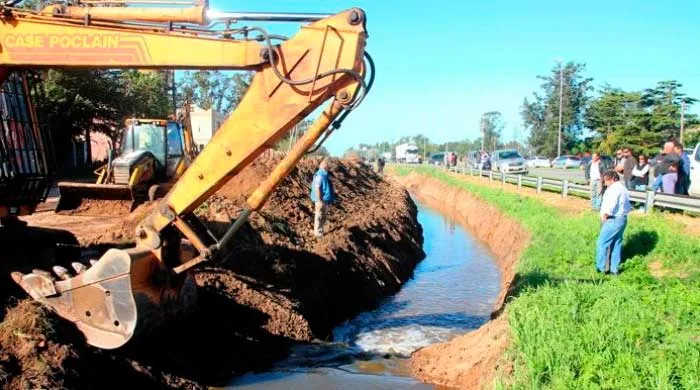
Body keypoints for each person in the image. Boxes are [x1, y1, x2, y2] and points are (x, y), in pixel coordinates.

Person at [595, 170, 631, 275]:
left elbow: (612, 203)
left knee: (602, 243)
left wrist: (606, 214)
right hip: (622, 218)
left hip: (613, 218)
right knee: (616, 243)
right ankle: (614, 269)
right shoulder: (623, 189)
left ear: (613, 179)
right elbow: (628, 205)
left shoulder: (614, 189)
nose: (605, 183)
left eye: (607, 181)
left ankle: (600, 268)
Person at [310, 157, 335, 237]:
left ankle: (319, 230)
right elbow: (317, 187)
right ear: (325, 166)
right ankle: (317, 233)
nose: (329, 168)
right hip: (321, 200)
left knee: (322, 216)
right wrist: (320, 199)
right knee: (319, 215)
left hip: (324, 200)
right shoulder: (320, 175)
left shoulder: (324, 175)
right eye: (328, 166)